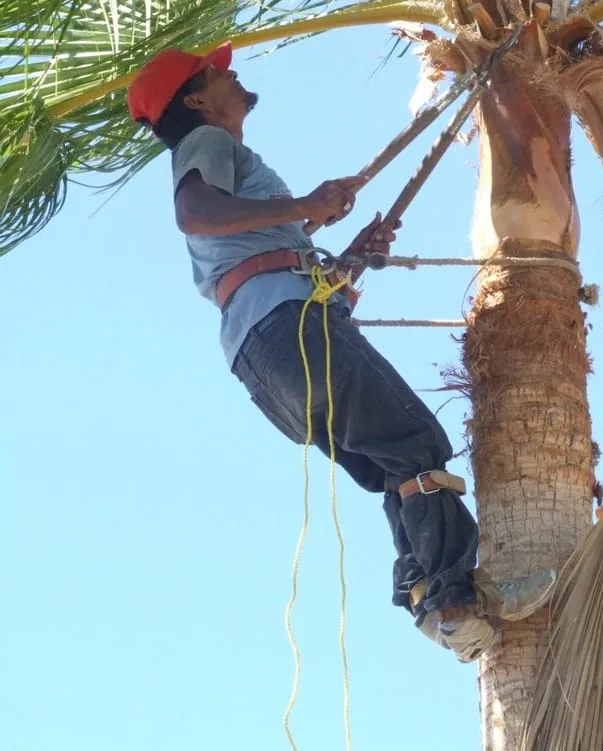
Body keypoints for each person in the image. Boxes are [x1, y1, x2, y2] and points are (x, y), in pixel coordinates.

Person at [125, 41, 556, 662]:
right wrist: (307, 207)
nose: (233, 71)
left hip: (265, 356)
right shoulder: (211, 145)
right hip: (285, 329)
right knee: (415, 446)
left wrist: (352, 257)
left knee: (391, 466)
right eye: (216, 72)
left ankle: (430, 603)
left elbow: (275, 271)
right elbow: (193, 212)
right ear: (197, 99)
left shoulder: (238, 196)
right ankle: (454, 600)